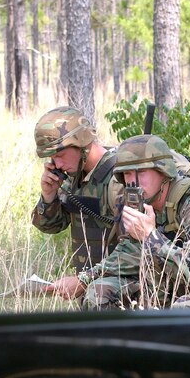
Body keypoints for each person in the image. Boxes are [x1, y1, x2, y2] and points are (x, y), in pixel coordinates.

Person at [47, 134, 190, 309]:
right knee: (99, 293)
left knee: (185, 309)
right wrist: (84, 280)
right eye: (126, 175)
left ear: (163, 171)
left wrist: (150, 236)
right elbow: (128, 252)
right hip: (183, 286)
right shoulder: (145, 202)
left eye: (141, 172)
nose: (132, 181)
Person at [31, 106, 122, 273]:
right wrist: (48, 195)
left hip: (120, 286)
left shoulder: (120, 176)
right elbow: (50, 227)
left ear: (80, 141)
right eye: (52, 157)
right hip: (90, 287)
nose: (56, 164)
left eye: (59, 155)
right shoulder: (72, 179)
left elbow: (136, 248)